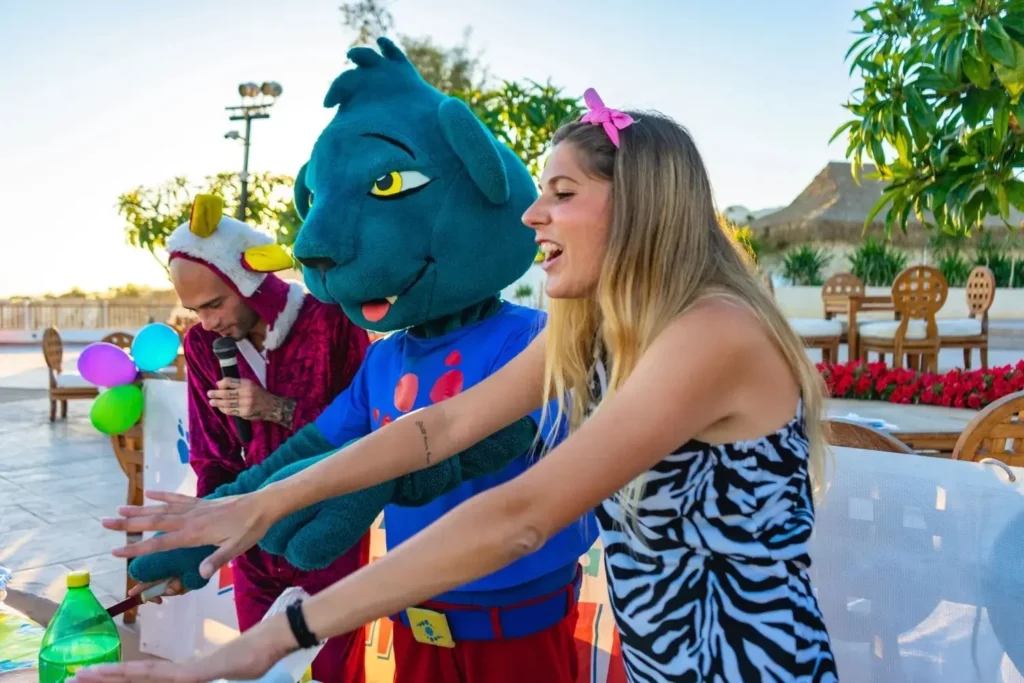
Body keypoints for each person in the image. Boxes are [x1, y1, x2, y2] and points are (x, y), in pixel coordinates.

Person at [75, 90, 838, 683]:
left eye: (563, 192)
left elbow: (521, 517)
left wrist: (278, 635)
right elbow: (437, 429)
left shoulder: (712, 331)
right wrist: (262, 500)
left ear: (640, 201)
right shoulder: (598, 334)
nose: (533, 213)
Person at [145, 194, 373, 683]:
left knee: (331, 671)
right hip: (252, 537)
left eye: (215, 304)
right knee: (258, 671)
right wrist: (201, 539)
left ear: (248, 281)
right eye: (195, 310)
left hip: (326, 531)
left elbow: (366, 431)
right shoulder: (202, 344)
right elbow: (212, 455)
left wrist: (276, 408)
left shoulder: (330, 320)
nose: (208, 322)